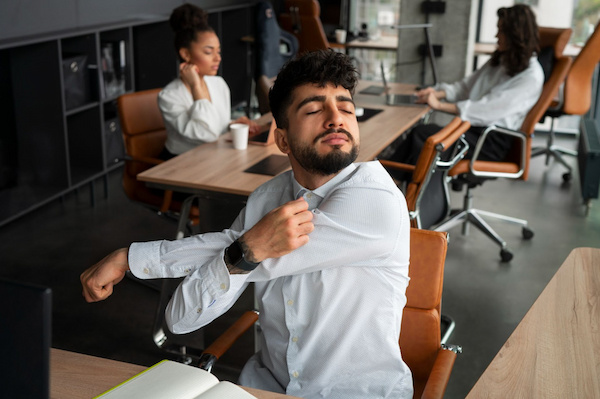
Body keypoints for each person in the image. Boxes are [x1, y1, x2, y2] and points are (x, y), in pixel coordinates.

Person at [81, 50, 413, 398]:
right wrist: (243, 250)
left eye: (346, 108)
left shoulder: (375, 201)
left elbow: (238, 250)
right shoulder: (267, 196)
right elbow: (183, 317)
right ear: (282, 139)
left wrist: (135, 258)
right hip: (266, 385)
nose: (335, 119)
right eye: (314, 109)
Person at [388, 4, 544, 168]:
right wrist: (436, 93)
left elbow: (486, 110)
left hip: (489, 141)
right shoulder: (501, 60)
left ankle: (394, 181)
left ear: (516, 34)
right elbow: (465, 87)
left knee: (423, 136)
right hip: (472, 131)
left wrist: (439, 105)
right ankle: (394, 181)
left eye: (501, 31)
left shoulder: (531, 76)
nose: (496, 35)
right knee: (420, 135)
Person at [158, 3, 262, 158]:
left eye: (218, 51)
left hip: (214, 156)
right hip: (181, 164)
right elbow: (207, 134)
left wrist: (231, 125)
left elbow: (213, 126)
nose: (217, 58)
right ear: (185, 54)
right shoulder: (169, 96)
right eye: (208, 51)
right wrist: (195, 87)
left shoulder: (218, 83)